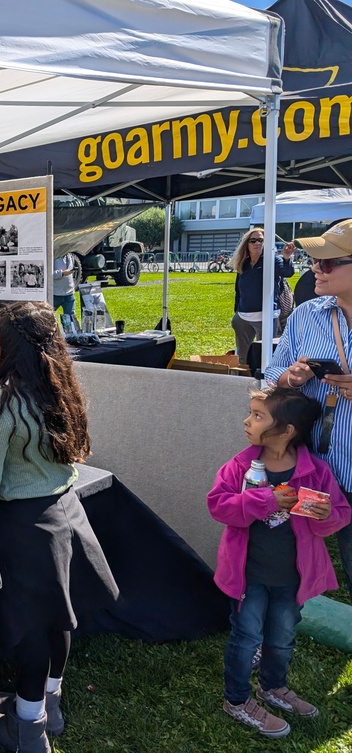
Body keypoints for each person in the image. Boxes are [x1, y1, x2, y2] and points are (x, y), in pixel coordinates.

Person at [0, 301, 118, 753]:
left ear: (5, 345)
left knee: (37, 628)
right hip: (66, 510)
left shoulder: (3, 402)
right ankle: (47, 701)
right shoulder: (60, 388)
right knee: (59, 618)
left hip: (26, 526)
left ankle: (29, 727)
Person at [208, 386, 349, 738]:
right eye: (251, 413)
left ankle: (273, 687)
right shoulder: (239, 467)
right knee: (246, 638)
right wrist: (265, 500)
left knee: (282, 637)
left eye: (258, 416)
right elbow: (219, 506)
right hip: (248, 577)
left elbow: (339, 517)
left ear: (286, 430)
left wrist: (326, 513)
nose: (247, 420)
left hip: (292, 579)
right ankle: (237, 700)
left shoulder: (315, 472)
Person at [265, 219, 352, 597]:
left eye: (328, 262)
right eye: (314, 260)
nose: (315, 268)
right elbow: (270, 377)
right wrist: (291, 378)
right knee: (291, 562)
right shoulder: (305, 315)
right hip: (313, 469)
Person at [230, 228, 295, 367]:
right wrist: (237, 313)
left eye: (261, 240)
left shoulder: (272, 260)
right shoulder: (244, 263)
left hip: (266, 316)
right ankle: (243, 376)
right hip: (243, 317)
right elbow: (239, 289)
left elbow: (287, 272)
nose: (257, 243)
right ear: (246, 244)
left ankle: (266, 381)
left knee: (267, 356)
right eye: (253, 240)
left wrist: (287, 257)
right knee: (243, 357)